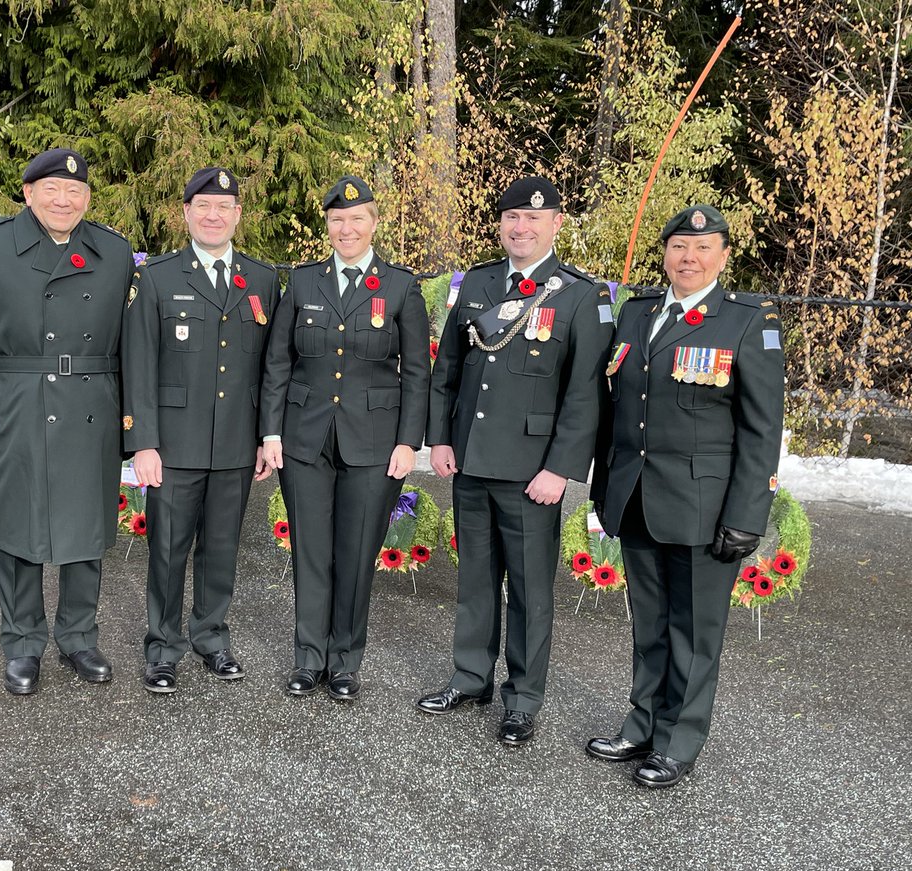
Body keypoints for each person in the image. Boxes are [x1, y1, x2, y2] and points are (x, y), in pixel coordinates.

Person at [587, 205, 785, 788]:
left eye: (703, 248)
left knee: (695, 632)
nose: (689, 259)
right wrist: (604, 487)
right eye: (678, 247)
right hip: (639, 497)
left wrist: (748, 515)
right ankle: (642, 722)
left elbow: (760, 430)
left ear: (724, 256)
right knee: (648, 624)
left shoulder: (748, 321)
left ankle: (679, 740)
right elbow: (616, 412)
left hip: (705, 509)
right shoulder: (638, 313)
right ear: (666, 253)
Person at [417, 176, 613, 745]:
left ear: (556, 223)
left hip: (533, 473)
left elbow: (585, 395)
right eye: (511, 218)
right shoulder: (476, 284)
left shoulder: (579, 295)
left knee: (529, 589)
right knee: (476, 580)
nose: (520, 227)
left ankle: (523, 697)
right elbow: (446, 372)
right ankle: (471, 676)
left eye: (533, 218)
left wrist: (560, 468)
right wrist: (441, 439)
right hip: (472, 461)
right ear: (501, 224)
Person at [0, 148, 135, 695]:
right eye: (51, 189)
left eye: (74, 191)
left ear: (87, 199)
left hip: (91, 407)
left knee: (87, 529)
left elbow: (132, 350)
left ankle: (79, 637)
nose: (63, 199)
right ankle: (22, 642)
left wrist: (131, 425)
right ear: (28, 194)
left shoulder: (113, 251)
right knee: (19, 530)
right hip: (15, 405)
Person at [260, 175, 430, 701]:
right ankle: (308, 658)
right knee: (311, 550)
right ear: (327, 226)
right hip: (305, 437)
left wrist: (409, 442)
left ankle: (345, 662)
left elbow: (418, 373)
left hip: (374, 442)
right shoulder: (304, 283)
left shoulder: (400, 287)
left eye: (357, 219)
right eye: (337, 220)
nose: (346, 228)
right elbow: (278, 362)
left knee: (357, 554)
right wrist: (270, 431)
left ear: (375, 223)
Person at [122, 167, 279, 693]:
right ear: (186, 213)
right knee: (168, 549)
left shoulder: (261, 279)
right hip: (174, 445)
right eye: (203, 206)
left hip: (236, 442)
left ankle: (212, 638)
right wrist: (143, 442)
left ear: (237, 214)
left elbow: (270, 367)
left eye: (224, 207)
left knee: (222, 548)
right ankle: (163, 648)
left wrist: (265, 435)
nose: (214, 215)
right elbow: (139, 363)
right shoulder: (159, 277)